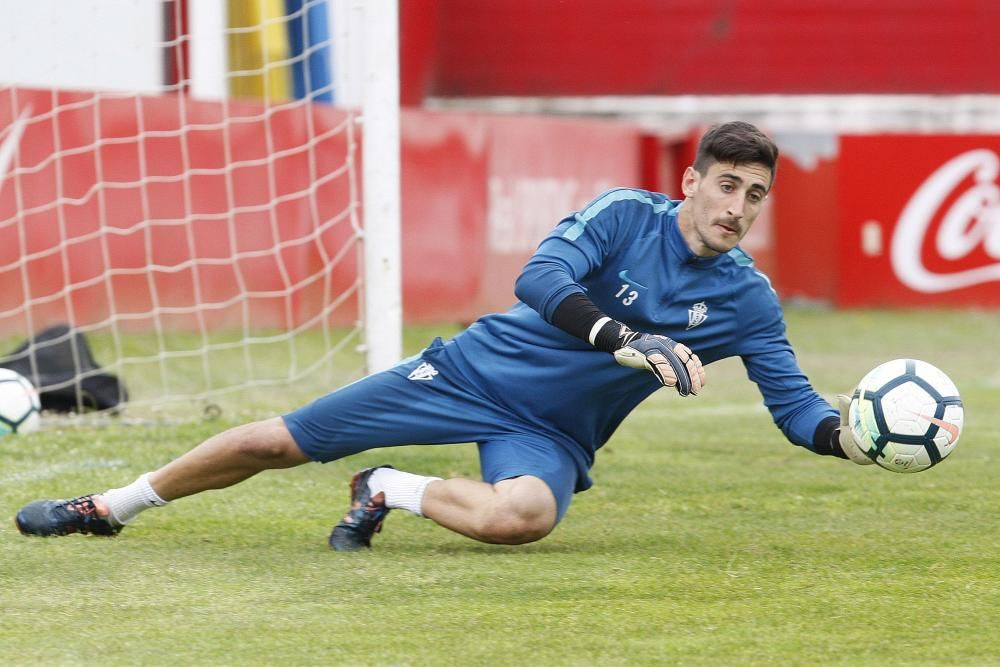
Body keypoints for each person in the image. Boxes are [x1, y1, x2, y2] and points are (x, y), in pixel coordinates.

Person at [15, 121, 872, 551]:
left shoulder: (748, 301)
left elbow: (795, 408)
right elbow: (537, 281)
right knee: (278, 443)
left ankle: (385, 485)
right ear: (690, 181)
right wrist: (622, 338)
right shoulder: (623, 213)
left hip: (547, 434)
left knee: (524, 519)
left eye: (755, 195)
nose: (738, 208)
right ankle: (111, 506)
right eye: (727, 185)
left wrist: (855, 440)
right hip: (468, 372)